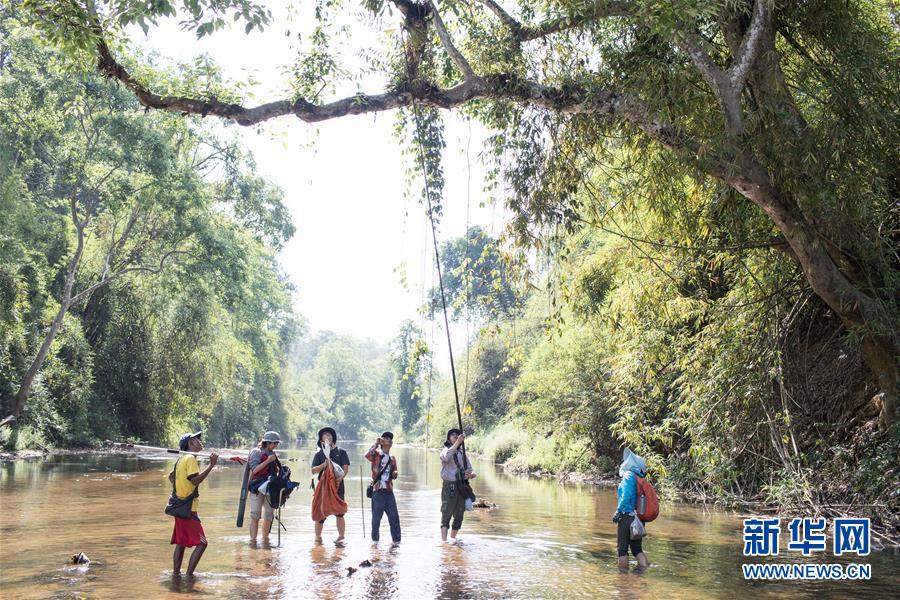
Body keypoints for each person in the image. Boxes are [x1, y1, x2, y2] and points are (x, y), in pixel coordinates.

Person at [170, 430, 218, 577]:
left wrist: (181, 491)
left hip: (180, 506)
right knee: (202, 543)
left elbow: (171, 477)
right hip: (188, 509)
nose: (200, 441)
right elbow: (195, 480)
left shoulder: (181, 459)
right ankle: (189, 576)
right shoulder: (190, 458)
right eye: (197, 439)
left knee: (181, 542)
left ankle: (176, 575)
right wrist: (211, 465)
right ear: (191, 443)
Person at [612, 448, 650, 572]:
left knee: (622, 549)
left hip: (627, 517)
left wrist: (618, 511)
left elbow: (626, 495)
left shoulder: (628, 475)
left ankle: (622, 579)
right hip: (638, 518)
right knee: (637, 549)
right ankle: (643, 573)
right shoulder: (640, 477)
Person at [311, 426, 350, 543]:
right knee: (320, 513)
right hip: (323, 488)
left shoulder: (341, 452)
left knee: (340, 513)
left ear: (333, 438)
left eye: (329, 434)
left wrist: (339, 479)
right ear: (321, 440)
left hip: (338, 486)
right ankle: (318, 537)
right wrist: (324, 464)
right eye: (324, 435)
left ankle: (341, 537)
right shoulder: (319, 454)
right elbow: (313, 470)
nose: (327, 436)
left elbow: (345, 469)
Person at [439, 428, 476, 542]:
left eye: (457, 435)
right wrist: (457, 443)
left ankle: (453, 539)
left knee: (459, 515)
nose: (455, 436)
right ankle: (444, 542)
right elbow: (445, 457)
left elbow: (471, 470)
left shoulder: (462, 453)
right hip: (449, 486)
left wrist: (470, 475)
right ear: (449, 438)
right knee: (446, 513)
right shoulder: (446, 450)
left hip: (461, 486)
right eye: (453, 435)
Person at [246, 430, 281, 544]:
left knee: (269, 514)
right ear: (268, 442)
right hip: (257, 487)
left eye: (276, 443)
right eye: (274, 443)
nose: (275, 446)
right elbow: (255, 469)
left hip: (270, 487)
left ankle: (265, 540)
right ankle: (253, 541)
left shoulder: (272, 454)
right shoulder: (256, 452)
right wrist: (268, 461)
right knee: (255, 515)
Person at [365, 431, 400, 543]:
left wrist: (395, 473)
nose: (389, 440)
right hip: (378, 491)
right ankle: (375, 544)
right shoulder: (376, 455)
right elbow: (367, 455)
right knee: (376, 520)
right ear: (382, 441)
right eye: (386, 438)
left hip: (389, 492)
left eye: (390, 439)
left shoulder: (392, 458)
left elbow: (394, 473)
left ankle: (396, 543)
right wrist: (376, 443)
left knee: (394, 519)